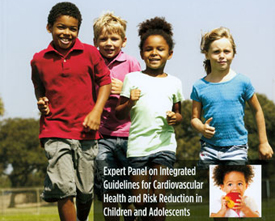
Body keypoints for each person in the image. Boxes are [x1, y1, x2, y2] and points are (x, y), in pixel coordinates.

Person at [31, 2, 111, 221]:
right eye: (60, 27)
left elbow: (105, 81)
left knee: (85, 192)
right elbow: (39, 86)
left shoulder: (91, 54)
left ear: (78, 30)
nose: (66, 32)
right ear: (49, 27)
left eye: (72, 28)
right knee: (64, 188)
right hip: (54, 130)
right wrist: (41, 100)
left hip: (86, 132)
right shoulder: (39, 59)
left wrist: (96, 112)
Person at [116, 17, 183, 221]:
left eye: (160, 49)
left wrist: (175, 117)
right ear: (142, 53)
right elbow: (119, 114)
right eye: (149, 49)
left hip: (164, 146)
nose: (154, 53)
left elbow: (179, 113)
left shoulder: (175, 83)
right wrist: (129, 103)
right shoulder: (132, 79)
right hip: (137, 147)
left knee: (158, 197)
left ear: (169, 54)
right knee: (142, 200)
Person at [190, 27, 273, 168]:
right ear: (207, 54)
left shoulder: (243, 82)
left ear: (233, 54)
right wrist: (202, 128)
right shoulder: (199, 86)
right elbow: (194, 118)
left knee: (233, 187)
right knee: (210, 189)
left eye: (226, 51)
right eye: (216, 52)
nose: (222, 55)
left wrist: (263, 142)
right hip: (208, 149)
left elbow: (257, 110)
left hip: (236, 149)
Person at [93, 12, 141, 221]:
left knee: (130, 193)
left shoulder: (131, 63)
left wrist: (125, 89)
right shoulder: (92, 63)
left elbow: (142, 94)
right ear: (95, 41)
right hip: (102, 136)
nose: (109, 43)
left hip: (130, 135)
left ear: (124, 41)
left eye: (114, 39)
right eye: (103, 39)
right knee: (108, 187)